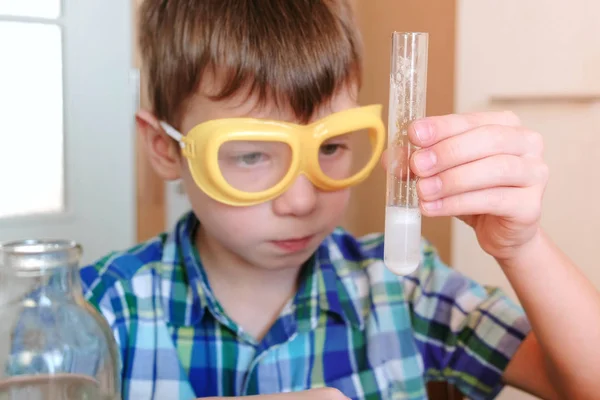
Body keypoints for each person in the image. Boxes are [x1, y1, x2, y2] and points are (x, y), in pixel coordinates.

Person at [80, 1, 600, 399]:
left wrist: (523, 246)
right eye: (251, 156)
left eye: (330, 146)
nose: (301, 200)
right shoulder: (98, 310)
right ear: (166, 148)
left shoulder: (404, 289)